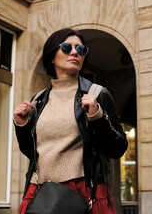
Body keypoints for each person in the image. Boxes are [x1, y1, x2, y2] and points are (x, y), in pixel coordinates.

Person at [13, 28, 128, 214]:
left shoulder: (97, 94)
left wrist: (97, 116)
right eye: (67, 47)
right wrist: (21, 125)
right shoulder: (39, 99)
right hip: (41, 192)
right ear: (52, 56)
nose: (75, 52)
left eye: (80, 50)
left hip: (82, 190)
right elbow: (32, 152)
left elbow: (118, 148)